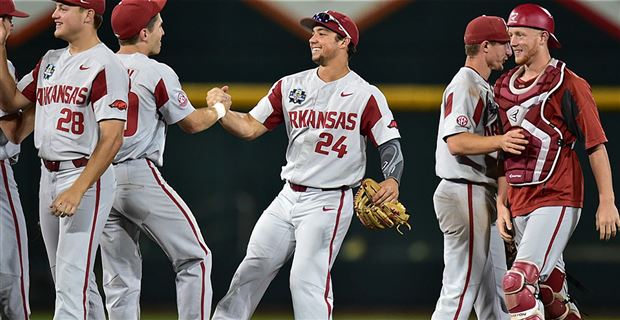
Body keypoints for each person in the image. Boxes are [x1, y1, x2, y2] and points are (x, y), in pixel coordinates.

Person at [209, 10, 403, 320]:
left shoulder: (366, 95)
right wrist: (220, 109)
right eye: (313, 32)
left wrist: (392, 179)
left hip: (330, 200)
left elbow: (389, 143)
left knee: (306, 280)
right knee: (252, 268)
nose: (312, 37)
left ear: (344, 41)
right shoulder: (290, 86)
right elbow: (248, 127)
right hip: (287, 197)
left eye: (322, 33)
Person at [98, 1, 228, 319]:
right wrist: (219, 107)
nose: (163, 30)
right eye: (159, 25)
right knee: (195, 257)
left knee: (120, 279)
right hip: (137, 175)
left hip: (98, 178)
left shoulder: (97, 67)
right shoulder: (155, 71)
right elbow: (192, 123)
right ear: (144, 32)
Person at [0, 0, 129, 318]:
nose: (55, 14)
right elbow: (12, 100)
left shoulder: (105, 64)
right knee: (73, 284)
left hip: (84, 176)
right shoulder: (50, 61)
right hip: (49, 176)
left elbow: (112, 138)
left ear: (88, 16)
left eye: (64, 8)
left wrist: (79, 189)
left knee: (71, 288)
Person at [494, 4, 620, 319]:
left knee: (516, 284)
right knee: (551, 293)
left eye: (520, 34)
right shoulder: (502, 86)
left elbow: (596, 145)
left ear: (543, 37)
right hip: (520, 200)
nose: (514, 42)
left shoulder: (569, 83)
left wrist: (607, 200)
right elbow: (502, 154)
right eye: (511, 35)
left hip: (557, 197)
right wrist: (501, 203)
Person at [432, 15, 528, 320]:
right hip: (464, 190)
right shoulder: (465, 84)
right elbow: (457, 143)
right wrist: (502, 140)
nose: (508, 51)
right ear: (485, 46)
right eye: (502, 44)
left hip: (479, 194)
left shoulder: (482, 86)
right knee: (460, 289)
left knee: (497, 298)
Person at [0, 2, 31, 319]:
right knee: (11, 276)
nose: (11, 26)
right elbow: (9, 133)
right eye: (7, 19)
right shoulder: (3, 68)